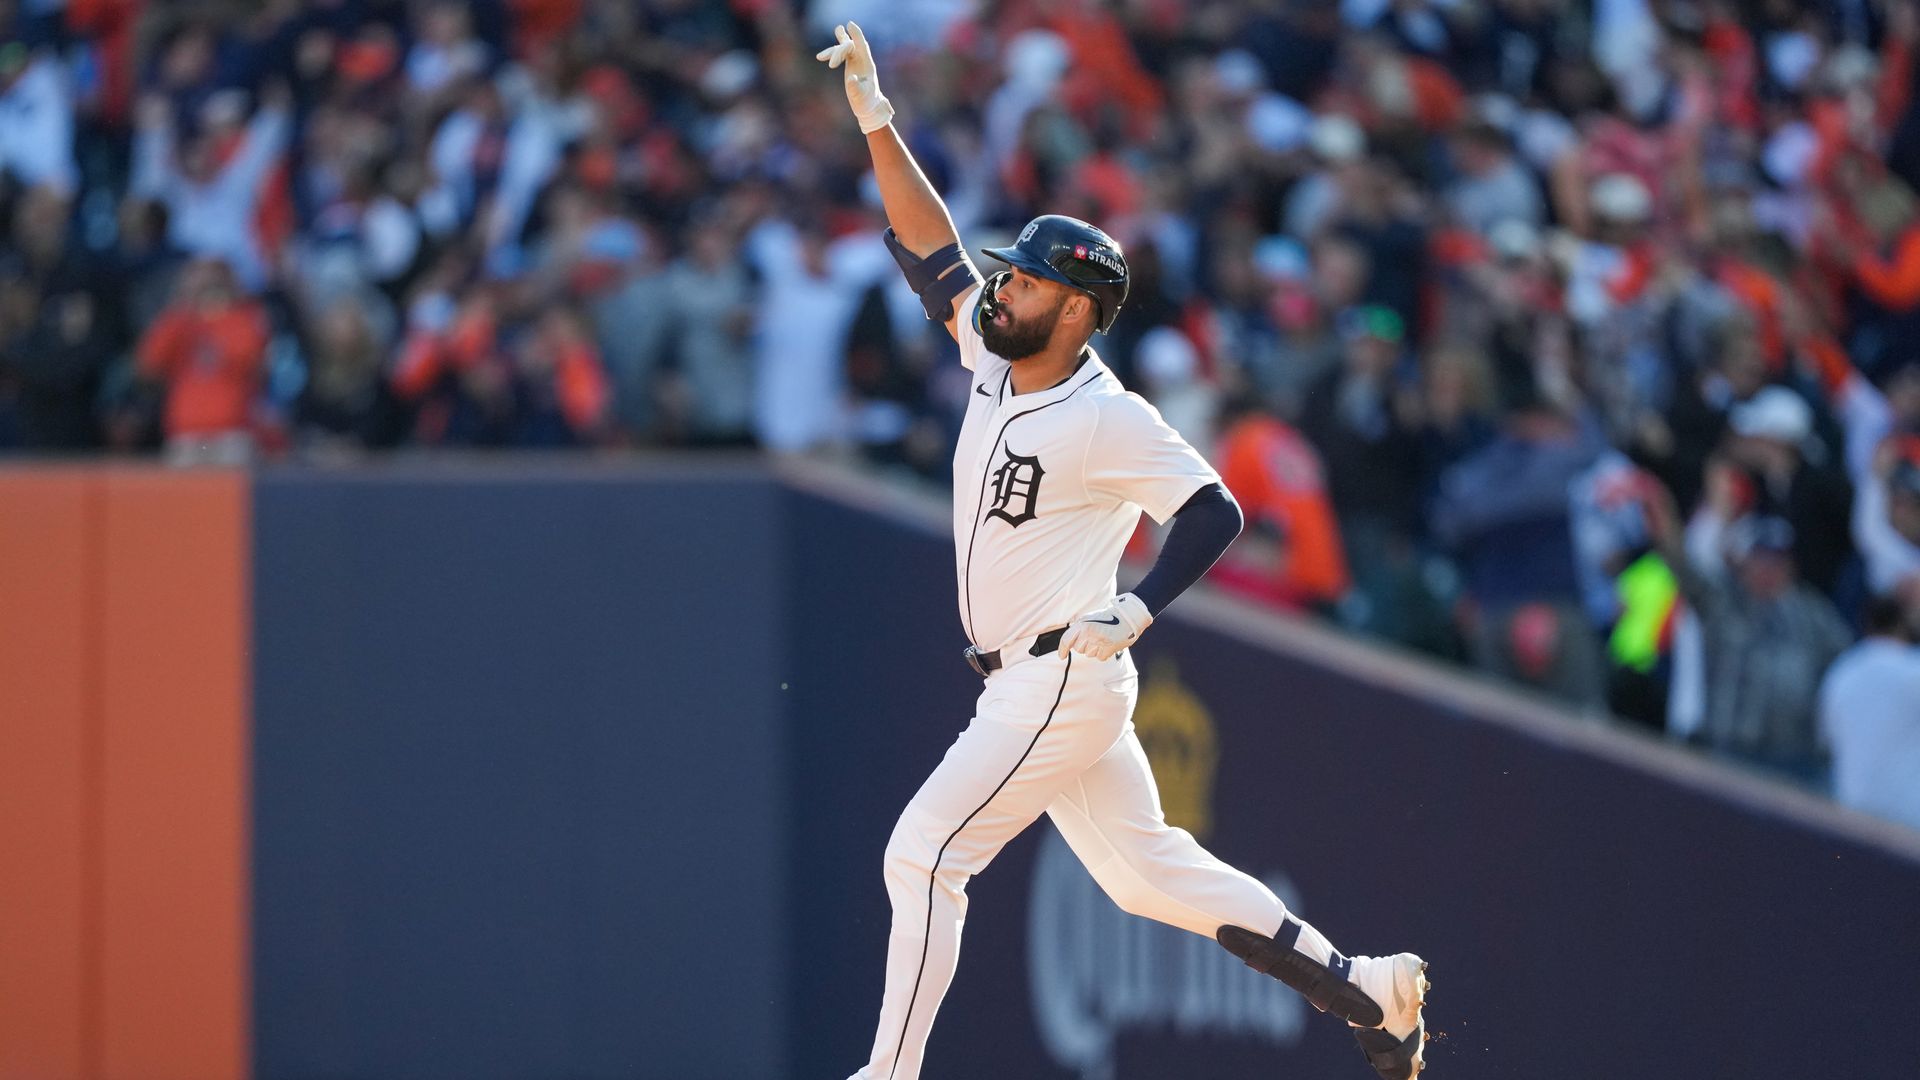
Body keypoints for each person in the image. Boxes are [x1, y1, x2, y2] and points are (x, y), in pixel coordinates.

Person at [818, 23, 1429, 1080]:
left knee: (922, 855)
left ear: (1078, 309)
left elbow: (1215, 511)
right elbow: (931, 250)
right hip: (1036, 680)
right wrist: (878, 117)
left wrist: (1138, 609)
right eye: (1007, 278)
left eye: (1023, 283)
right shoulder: (999, 354)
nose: (999, 290)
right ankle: (1369, 987)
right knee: (1147, 877)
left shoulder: (1110, 416)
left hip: (1059, 672)